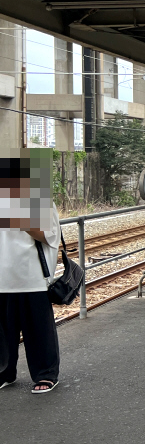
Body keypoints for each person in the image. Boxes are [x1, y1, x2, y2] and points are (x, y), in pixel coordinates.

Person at [0, 153, 62, 394]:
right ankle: (5, 372)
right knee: (4, 332)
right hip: (3, 277)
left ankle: (46, 373)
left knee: (38, 330)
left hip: (32, 277)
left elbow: (48, 235)